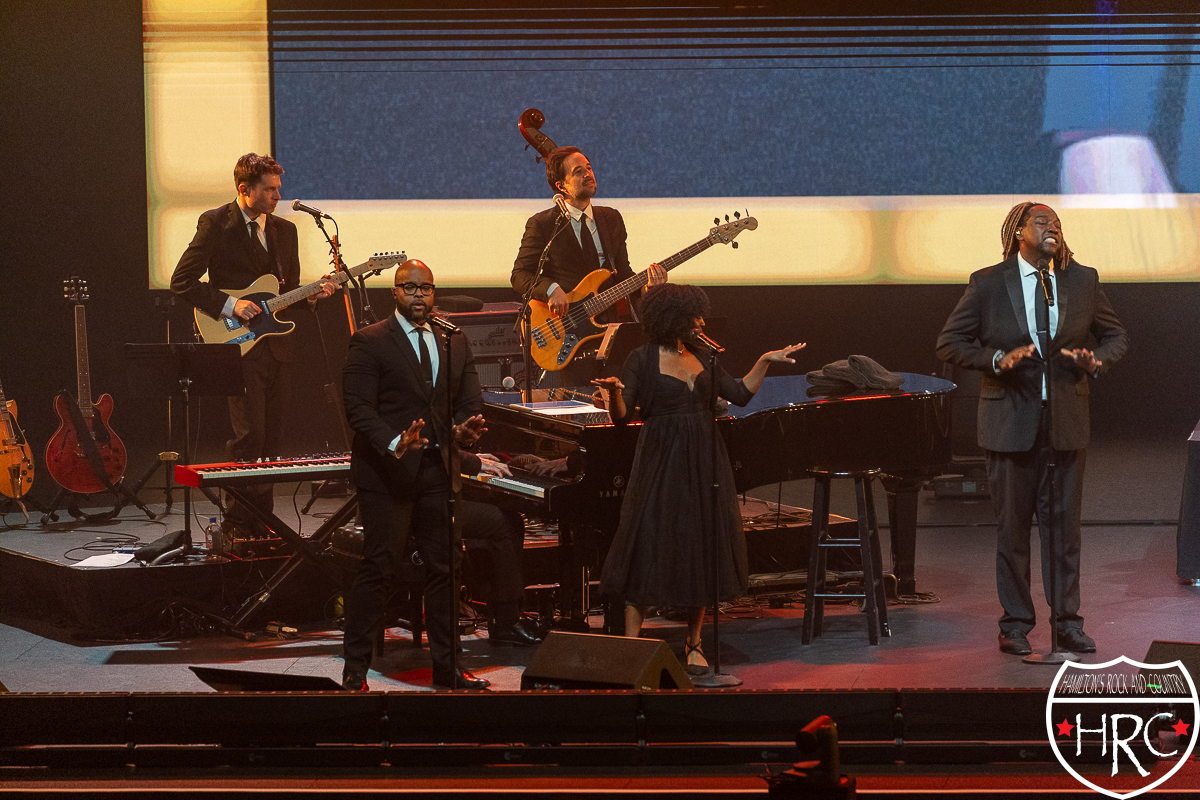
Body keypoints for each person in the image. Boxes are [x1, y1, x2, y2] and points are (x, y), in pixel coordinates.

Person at [936, 202, 1128, 656]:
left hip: (1065, 422)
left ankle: (1067, 624)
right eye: (1042, 222)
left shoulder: (1082, 280)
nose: (1053, 227)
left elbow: (1115, 336)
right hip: (1009, 422)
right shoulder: (988, 283)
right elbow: (949, 342)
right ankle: (1015, 625)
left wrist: (1097, 361)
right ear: (1019, 232)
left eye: (1057, 223)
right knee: (1013, 531)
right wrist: (996, 360)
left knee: (1064, 533)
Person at [592, 284, 805, 673]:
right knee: (649, 543)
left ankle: (694, 642)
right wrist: (614, 394)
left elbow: (739, 394)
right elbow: (622, 417)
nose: (702, 322)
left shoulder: (704, 355)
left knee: (698, 546)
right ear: (673, 318)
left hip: (703, 459)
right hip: (660, 460)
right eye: (695, 316)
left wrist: (764, 360)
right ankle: (631, 647)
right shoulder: (641, 358)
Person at [340, 259, 489, 691]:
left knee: (446, 568)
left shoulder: (453, 339)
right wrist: (394, 442)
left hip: (438, 471)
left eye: (426, 288)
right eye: (410, 287)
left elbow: (469, 400)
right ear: (395, 292)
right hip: (387, 473)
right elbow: (358, 410)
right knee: (379, 568)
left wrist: (460, 430)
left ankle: (448, 667)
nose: (419, 295)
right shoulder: (370, 341)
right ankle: (354, 670)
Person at [171, 152, 335, 540]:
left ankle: (263, 523)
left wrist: (311, 296)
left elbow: (284, 292)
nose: (278, 195)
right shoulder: (216, 223)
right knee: (248, 439)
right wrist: (231, 305)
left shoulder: (285, 230)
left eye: (279, 188)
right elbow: (182, 282)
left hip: (277, 347)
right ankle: (237, 523)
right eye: (270, 189)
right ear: (245, 189)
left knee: (272, 439)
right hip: (236, 345)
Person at [511, 146, 667, 385]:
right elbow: (520, 275)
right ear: (561, 186)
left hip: (614, 332)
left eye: (589, 168)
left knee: (624, 398)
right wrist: (551, 289)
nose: (588, 174)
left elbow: (622, 272)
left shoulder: (611, 218)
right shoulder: (543, 224)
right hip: (571, 333)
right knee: (582, 401)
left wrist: (648, 288)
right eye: (578, 172)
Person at [459, 452, 543, 646]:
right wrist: (473, 461)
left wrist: (471, 457)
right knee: (502, 523)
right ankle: (507, 619)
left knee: (510, 520)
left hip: (440, 492)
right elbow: (439, 452)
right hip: (431, 500)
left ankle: (500, 617)